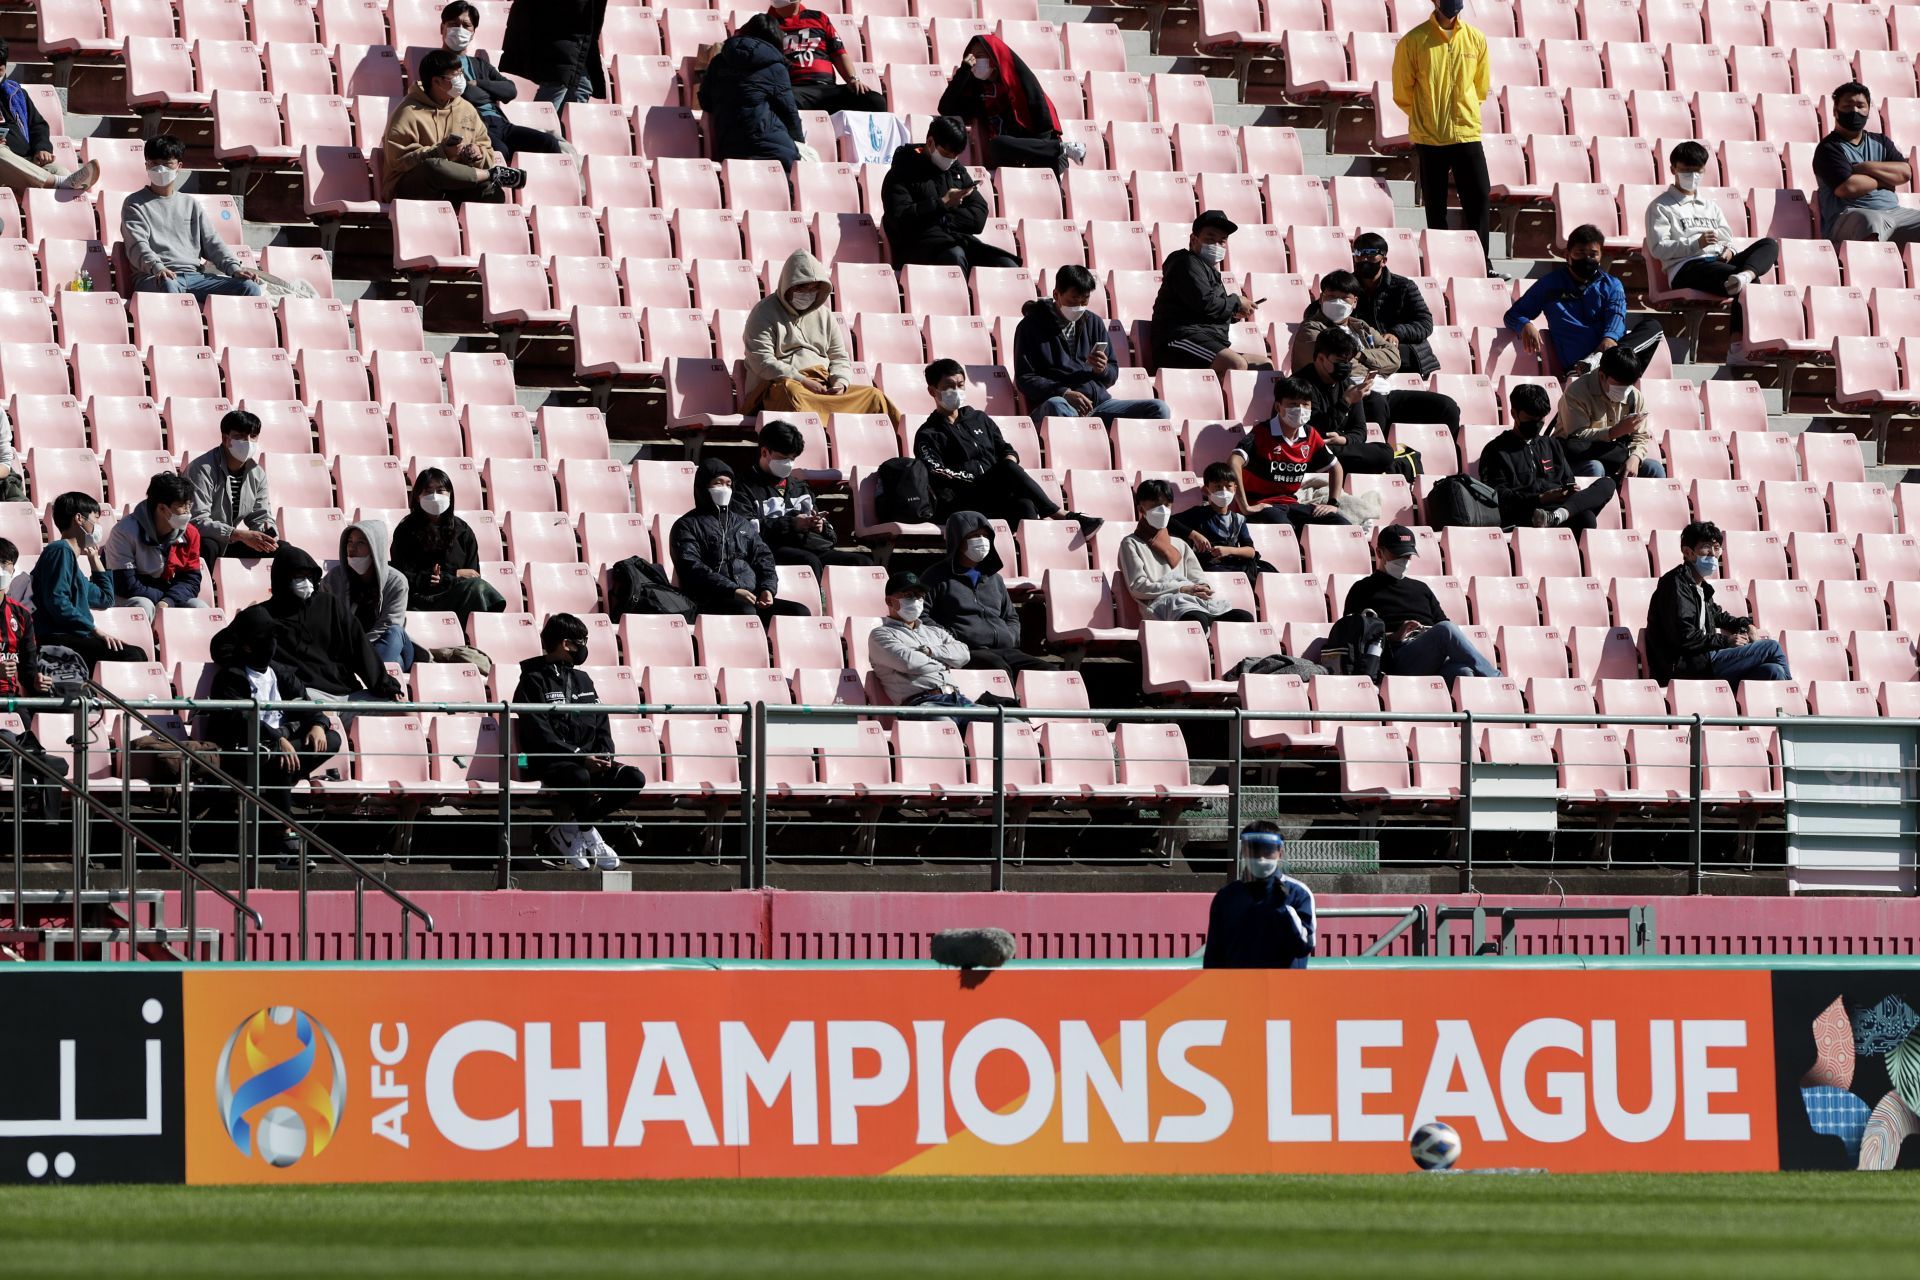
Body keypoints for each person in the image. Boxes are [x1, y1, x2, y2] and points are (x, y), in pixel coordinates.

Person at [203, 605, 342, 868]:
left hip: (283, 747)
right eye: (265, 639)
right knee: (279, 762)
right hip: (245, 750)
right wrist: (276, 739)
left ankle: (281, 837)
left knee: (331, 739)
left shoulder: (280, 672)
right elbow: (238, 718)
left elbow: (306, 701)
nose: (272, 643)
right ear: (247, 647)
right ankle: (285, 839)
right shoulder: (231, 677)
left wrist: (318, 724)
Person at [511, 612, 640, 871]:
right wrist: (581, 756)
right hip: (549, 762)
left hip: (589, 762)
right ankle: (589, 832)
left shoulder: (583, 679)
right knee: (579, 775)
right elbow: (539, 734)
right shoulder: (531, 681)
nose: (584, 647)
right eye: (581, 641)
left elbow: (601, 722)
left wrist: (605, 756)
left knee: (633, 778)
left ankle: (571, 828)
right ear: (565, 643)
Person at [916, 359, 1101, 531]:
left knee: (1025, 505)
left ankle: (1030, 556)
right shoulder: (928, 434)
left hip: (993, 495)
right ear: (932, 391)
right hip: (962, 499)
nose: (955, 391)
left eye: (960, 385)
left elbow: (1006, 449)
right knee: (1006, 468)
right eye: (948, 387)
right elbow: (937, 472)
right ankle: (1062, 515)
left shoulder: (979, 418)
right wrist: (987, 475)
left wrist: (1008, 465)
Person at [743, 249, 904, 425]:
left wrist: (840, 383)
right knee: (793, 395)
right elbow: (763, 361)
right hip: (782, 385)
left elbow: (839, 357)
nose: (808, 293)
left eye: (813, 289)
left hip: (823, 386)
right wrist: (802, 380)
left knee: (874, 397)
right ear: (787, 285)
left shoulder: (825, 316)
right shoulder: (763, 313)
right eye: (801, 287)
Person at [1293, 270, 1460, 435]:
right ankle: (1379, 452)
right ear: (1321, 298)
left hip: (1383, 390)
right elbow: (1332, 364)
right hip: (1346, 396)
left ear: (1354, 302)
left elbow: (1394, 359)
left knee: (1446, 407)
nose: (1337, 302)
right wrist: (1374, 361)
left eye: (1344, 298)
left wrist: (1360, 355)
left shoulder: (1360, 327)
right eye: (1331, 297)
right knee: (1375, 403)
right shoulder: (1312, 328)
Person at [1392, 0, 1493, 272]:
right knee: (1436, 205)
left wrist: (1464, 112)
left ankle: (1482, 262)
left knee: (1479, 196)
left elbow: (1480, 87)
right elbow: (1402, 91)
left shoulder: (1475, 39)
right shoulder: (1414, 41)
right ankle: (1442, 261)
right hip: (1430, 137)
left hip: (1466, 133)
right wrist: (1427, 116)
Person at [1014, 264, 1173, 423]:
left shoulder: (1094, 322)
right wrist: (1064, 392)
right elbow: (1025, 378)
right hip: (1057, 403)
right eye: (1073, 300)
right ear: (1056, 294)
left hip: (1099, 405)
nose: (1079, 307)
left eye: (1084, 301)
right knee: (1058, 406)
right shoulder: (1030, 326)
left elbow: (1112, 373)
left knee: (1159, 409)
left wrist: (1102, 369)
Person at [1340, 524, 1499, 682]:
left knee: (1464, 673)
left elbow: (1442, 624)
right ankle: (1497, 680)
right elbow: (1352, 638)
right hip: (1393, 660)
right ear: (1379, 553)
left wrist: (1425, 633)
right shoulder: (1362, 589)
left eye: (1407, 556)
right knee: (1446, 630)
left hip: (1431, 659)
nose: (1403, 561)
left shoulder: (1421, 588)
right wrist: (1393, 637)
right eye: (1398, 555)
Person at [1506, 224, 1667, 377]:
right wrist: (1525, 324)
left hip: (1609, 358)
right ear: (1567, 256)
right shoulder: (1549, 285)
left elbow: (1616, 316)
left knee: (1653, 327)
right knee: (1619, 359)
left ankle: (1599, 363)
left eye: (1593, 254)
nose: (1587, 259)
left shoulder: (1612, 285)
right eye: (1580, 253)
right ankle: (1591, 368)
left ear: (1601, 256)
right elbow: (1513, 315)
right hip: (1577, 365)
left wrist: (1609, 338)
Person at [246, 547, 404, 704]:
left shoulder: (330, 604)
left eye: (309, 576)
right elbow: (225, 647)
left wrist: (387, 686)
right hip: (308, 696)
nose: (306, 583)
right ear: (282, 579)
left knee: (400, 709)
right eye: (299, 577)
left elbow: (359, 647)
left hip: (348, 693)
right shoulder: (262, 616)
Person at [1645, 140, 1779, 318]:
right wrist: (1696, 243)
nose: (1692, 176)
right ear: (1673, 170)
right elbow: (1658, 249)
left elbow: (1726, 238)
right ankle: (1739, 339)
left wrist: (1729, 251)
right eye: (1686, 170)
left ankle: (1746, 275)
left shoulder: (1710, 206)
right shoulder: (1660, 207)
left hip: (1717, 262)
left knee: (1769, 244)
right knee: (1748, 284)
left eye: (1697, 171)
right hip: (1686, 268)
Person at [1648, 522, 1792, 686]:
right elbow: (1685, 637)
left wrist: (1747, 625)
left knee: (1774, 671)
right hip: (1685, 666)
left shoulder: (1701, 588)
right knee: (1771, 647)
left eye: (1716, 548)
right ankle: (1793, 704)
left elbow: (1720, 617)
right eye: (1706, 547)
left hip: (1705, 663)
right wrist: (1727, 641)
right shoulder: (1675, 584)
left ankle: (1779, 708)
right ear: (1688, 552)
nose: (1713, 554)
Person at [669, 460, 811, 624]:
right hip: (709, 599)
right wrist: (733, 590)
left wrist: (767, 588)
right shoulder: (686, 525)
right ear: (704, 486)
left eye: (728, 484)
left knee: (799, 612)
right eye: (718, 483)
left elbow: (763, 557)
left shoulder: (741, 523)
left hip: (750, 596)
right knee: (745, 611)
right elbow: (691, 567)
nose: (725, 489)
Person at [121, 135, 261, 297]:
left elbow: (212, 243)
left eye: (167, 164)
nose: (160, 169)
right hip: (155, 277)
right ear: (146, 165)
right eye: (154, 163)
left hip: (196, 277)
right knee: (169, 284)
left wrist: (235, 269)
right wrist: (157, 267)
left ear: (178, 166)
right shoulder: (134, 203)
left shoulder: (190, 204)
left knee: (249, 287)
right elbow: (138, 246)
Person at [381, 48, 524, 205]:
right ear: (436, 81)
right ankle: (490, 174)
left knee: (491, 191)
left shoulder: (467, 109)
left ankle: (487, 179)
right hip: (411, 188)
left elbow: (487, 151)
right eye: (455, 76)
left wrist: (478, 153)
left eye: (461, 73)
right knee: (433, 167)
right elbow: (398, 160)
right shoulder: (407, 112)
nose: (461, 79)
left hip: (453, 187)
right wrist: (442, 152)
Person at [879, 115, 1019, 274]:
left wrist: (944, 218)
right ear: (930, 143)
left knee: (1007, 265)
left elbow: (979, 213)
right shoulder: (901, 173)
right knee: (955, 257)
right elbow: (900, 219)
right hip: (918, 249)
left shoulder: (955, 170)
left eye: (956, 156)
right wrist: (942, 203)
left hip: (956, 241)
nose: (951, 160)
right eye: (946, 154)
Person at [919, 512, 1052, 675]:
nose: (982, 540)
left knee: (1049, 671)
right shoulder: (935, 576)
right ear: (958, 540)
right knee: (998, 669)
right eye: (974, 535)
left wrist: (1009, 636)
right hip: (966, 651)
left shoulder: (994, 578)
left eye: (985, 535)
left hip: (1004, 649)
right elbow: (920, 615)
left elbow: (1011, 616)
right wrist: (951, 638)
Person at [868, 571, 1018, 713]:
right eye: (909, 596)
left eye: (920, 596)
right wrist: (946, 663)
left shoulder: (935, 632)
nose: (916, 601)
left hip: (957, 699)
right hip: (922, 703)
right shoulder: (880, 635)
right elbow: (909, 663)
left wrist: (930, 651)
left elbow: (964, 654)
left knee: (1006, 723)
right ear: (889, 601)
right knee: (945, 725)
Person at [735, 419, 871, 576]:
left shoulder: (800, 487)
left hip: (807, 545)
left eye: (792, 458)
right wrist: (791, 524)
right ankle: (819, 600)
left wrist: (819, 527)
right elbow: (744, 532)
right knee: (809, 561)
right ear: (764, 452)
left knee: (862, 562)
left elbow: (830, 538)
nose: (788, 463)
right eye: (782, 458)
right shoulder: (743, 487)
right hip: (768, 550)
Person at [936, 33, 1084, 173]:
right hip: (1008, 155)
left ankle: (1062, 149)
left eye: (979, 57)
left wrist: (1033, 156)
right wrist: (964, 70)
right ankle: (1060, 148)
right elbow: (945, 108)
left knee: (1047, 169)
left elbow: (1044, 129)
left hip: (1042, 152)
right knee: (996, 145)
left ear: (994, 58)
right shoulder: (979, 94)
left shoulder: (1021, 84)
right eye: (972, 59)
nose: (975, 62)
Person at [434, 1, 564, 161]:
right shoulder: (436, 63)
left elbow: (510, 91)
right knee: (501, 151)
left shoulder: (480, 64)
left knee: (549, 143)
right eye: (453, 24)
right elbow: (466, 94)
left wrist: (479, 83)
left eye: (466, 25)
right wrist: (487, 91)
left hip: (501, 123)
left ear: (473, 32)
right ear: (442, 28)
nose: (459, 30)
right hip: (473, 126)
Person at [32, 492, 149, 667]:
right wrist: (95, 630)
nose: (99, 526)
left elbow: (106, 599)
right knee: (133, 656)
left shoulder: (72, 562)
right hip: (58, 638)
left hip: (75, 637)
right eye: (96, 519)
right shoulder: (59, 551)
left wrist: (94, 560)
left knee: (137, 653)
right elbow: (58, 602)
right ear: (79, 518)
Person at [1479, 383, 1617, 531]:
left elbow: (1568, 481)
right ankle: (1554, 518)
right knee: (1586, 518)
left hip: (1559, 508)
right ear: (1514, 414)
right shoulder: (1495, 451)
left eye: (1541, 419)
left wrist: (1569, 491)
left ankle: (1556, 517)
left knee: (1607, 484)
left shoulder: (1551, 445)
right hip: (1526, 514)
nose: (1536, 424)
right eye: (1530, 419)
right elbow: (1498, 497)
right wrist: (1541, 498)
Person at [1120, 479, 1256, 627]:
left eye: (1166, 505)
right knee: (1197, 619)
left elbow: (1197, 577)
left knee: (1243, 618)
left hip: (1193, 601)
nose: (1162, 510)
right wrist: (1181, 588)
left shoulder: (1180, 544)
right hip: (1162, 605)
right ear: (1141, 509)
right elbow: (1138, 587)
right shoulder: (1131, 544)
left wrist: (1202, 588)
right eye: (1155, 505)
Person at [1232, 376, 1351, 534]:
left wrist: (1333, 503)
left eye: (1305, 404)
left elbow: (1335, 467)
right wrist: (1245, 506)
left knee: (1341, 524)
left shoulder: (1310, 434)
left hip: (1292, 504)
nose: (1300, 409)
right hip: (1262, 504)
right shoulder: (1262, 432)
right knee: (1286, 530)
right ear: (1278, 406)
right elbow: (1233, 462)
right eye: (1293, 404)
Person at [391, 468, 507, 625]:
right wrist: (453, 575)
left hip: (455, 599)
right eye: (428, 491)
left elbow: (471, 576)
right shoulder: (406, 531)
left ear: (450, 495)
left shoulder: (463, 531)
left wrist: (447, 578)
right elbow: (402, 575)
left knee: (478, 589)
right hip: (419, 601)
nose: (435, 496)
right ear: (417, 496)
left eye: (441, 491)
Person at [1151, 210, 1262, 374]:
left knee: (1264, 365)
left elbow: (1207, 310)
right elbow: (1205, 302)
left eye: (1222, 241)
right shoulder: (1185, 262)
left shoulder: (1208, 270)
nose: (1216, 246)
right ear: (1193, 239)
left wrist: (1234, 314)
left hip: (1208, 340)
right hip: (1178, 340)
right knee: (1235, 364)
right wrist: (1236, 302)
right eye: (1210, 239)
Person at [1816, 82, 1920, 244]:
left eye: (1860, 106)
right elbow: (1848, 187)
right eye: (1848, 106)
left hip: (1894, 211)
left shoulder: (1881, 142)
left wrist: (1866, 167)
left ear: (1868, 110)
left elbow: (1905, 173)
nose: (1854, 111)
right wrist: (1886, 181)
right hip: (1848, 216)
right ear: (1835, 111)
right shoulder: (1829, 148)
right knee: (1870, 221)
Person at [700, 14, 806, 172]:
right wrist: (800, 145)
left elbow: (705, 101)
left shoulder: (718, 62)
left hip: (731, 149)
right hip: (774, 151)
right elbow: (789, 113)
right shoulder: (775, 67)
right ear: (777, 38)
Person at [1202, 822, 1315, 970]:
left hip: (1284, 988)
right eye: (1254, 850)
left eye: (1268, 850)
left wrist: (1282, 910)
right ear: (1244, 851)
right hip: (1240, 988)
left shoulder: (1298, 894)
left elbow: (1304, 947)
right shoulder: (1227, 896)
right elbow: (1214, 955)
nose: (1261, 858)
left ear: (1280, 852)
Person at [1293, 329, 1402, 476]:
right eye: (1339, 362)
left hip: (1339, 447)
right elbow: (1314, 430)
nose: (1345, 367)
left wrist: (1344, 439)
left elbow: (1360, 431)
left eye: (1348, 362)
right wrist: (1346, 401)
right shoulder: (1300, 385)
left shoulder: (1346, 384)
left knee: (1385, 451)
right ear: (1320, 359)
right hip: (1309, 449)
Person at [104, 471, 206, 621]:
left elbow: (191, 580)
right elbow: (125, 583)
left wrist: (169, 600)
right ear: (162, 508)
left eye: (189, 505)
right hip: (125, 596)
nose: (187, 512)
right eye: (181, 506)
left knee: (199, 607)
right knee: (143, 605)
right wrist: (164, 599)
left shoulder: (191, 533)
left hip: (168, 594)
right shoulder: (124, 532)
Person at [0, 38, 98, 192]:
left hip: (28, 162)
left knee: (61, 172)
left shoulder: (16, 93)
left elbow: (38, 125)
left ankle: (58, 183)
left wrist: (42, 148)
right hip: (3, 168)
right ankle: (56, 182)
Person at [1557, 347, 1667, 479]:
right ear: (1602, 376)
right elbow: (1576, 437)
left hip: (1613, 456)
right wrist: (1614, 431)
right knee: (1595, 467)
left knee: (1654, 469)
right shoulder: (1577, 392)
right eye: (1619, 384)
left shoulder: (1635, 396)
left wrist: (1635, 457)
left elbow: (1640, 436)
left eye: (1629, 384)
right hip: (1577, 457)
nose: (1625, 390)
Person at [322, 519, 413, 673]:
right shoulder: (333, 579)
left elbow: (389, 624)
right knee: (393, 663)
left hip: (385, 645)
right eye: (349, 541)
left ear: (375, 547)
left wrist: (358, 649)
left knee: (394, 632)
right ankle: (371, 677)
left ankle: (366, 675)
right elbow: (324, 619)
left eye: (361, 543)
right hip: (348, 651)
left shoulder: (396, 582)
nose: (352, 547)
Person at [187, 409, 279, 560]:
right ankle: (199, 584)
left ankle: (308, 582)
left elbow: (261, 515)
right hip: (203, 541)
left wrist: (267, 532)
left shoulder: (257, 473)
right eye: (240, 437)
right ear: (225, 438)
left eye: (253, 436)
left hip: (232, 541)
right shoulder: (201, 469)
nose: (248, 442)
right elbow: (196, 521)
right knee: (207, 545)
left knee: (285, 551)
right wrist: (237, 534)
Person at [766, 0, 886, 114]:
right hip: (796, 90)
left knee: (875, 101)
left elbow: (839, 53)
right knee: (780, 101)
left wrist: (853, 79)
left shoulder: (819, 18)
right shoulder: (767, 25)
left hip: (828, 90)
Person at [1350, 231, 1438, 376]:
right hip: (1363, 351)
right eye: (1359, 254)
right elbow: (1318, 312)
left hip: (1400, 352)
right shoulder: (1346, 286)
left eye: (1371, 254)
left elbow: (1425, 323)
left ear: (1384, 260)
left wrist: (1396, 333)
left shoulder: (1404, 286)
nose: (1364, 259)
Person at [499, 0, 607, 111]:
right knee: (557, 85)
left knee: (582, 87)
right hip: (554, 36)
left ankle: (563, 126)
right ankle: (540, 125)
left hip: (578, 40)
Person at [1172, 462, 1277, 575]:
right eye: (1217, 486)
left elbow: (1250, 551)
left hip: (1235, 565)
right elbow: (1170, 522)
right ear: (1207, 490)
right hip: (1211, 567)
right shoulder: (1198, 513)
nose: (1223, 490)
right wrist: (1194, 534)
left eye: (1228, 486)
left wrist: (1228, 550)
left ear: (1235, 488)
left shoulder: (1238, 519)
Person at [0, 537, 42, 698]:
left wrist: (36, 681)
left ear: (13, 571)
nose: (0, 569)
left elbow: (28, 667)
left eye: (4, 563)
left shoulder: (21, 614)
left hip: (9, 697)